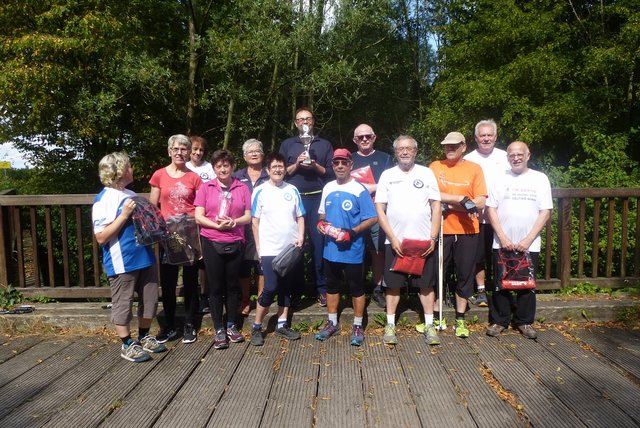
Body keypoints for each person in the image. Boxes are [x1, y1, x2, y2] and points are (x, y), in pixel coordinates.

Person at [92, 152, 166, 362]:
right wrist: (123, 215)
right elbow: (101, 237)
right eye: (130, 166)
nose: (132, 169)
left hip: (144, 256)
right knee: (123, 303)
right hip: (122, 259)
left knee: (149, 299)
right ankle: (126, 344)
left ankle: (144, 336)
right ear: (120, 171)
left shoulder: (130, 193)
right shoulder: (103, 199)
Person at [375, 136, 442, 346]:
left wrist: (433, 237)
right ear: (396, 152)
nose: (405, 152)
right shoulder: (387, 175)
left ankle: (430, 325)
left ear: (415, 151)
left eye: (409, 149)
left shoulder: (426, 173)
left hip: (423, 241)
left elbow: (436, 206)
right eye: (401, 149)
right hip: (395, 243)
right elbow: (380, 208)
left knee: (426, 285)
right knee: (393, 286)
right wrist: (392, 238)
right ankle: (390, 325)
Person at [486, 141, 552, 339]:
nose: (516, 157)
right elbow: (491, 209)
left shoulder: (540, 179)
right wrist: (503, 237)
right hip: (501, 242)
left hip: (529, 243)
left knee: (527, 284)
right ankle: (500, 320)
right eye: (511, 154)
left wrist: (528, 239)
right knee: (500, 283)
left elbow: (545, 211)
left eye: (519, 154)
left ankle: (525, 321)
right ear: (507, 157)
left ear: (528, 155)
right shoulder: (498, 178)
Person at [315, 149, 378, 346]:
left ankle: (358, 325)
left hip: (353, 249)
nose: (340, 166)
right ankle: (332, 322)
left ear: (351, 164)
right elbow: (322, 215)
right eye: (336, 163)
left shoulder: (359, 189)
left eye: (344, 162)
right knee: (332, 287)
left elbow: (372, 217)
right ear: (332, 166)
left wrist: (352, 231)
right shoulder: (327, 187)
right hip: (330, 249)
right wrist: (321, 225)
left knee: (356, 288)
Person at [429, 131, 487, 338]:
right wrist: (462, 199)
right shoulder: (435, 167)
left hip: (468, 230)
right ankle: (437, 315)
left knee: (465, 274)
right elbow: (432, 194)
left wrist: (452, 205)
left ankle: (460, 318)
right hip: (442, 228)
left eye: (454, 145)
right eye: (447, 145)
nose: (450, 149)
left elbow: (480, 202)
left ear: (463, 146)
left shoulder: (474, 168)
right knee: (438, 273)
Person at [194, 149, 252, 350]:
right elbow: (198, 216)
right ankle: (218, 328)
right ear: (214, 168)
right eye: (218, 166)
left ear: (232, 166)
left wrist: (233, 221)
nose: (222, 169)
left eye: (226, 165)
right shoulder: (206, 188)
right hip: (211, 239)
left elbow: (248, 216)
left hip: (235, 239)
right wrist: (216, 225)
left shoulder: (241, 187)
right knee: (216, 286)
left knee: (233, 286)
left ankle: (231, 325)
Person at [149, 135, 203, 344]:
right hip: (167, 236)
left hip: (190, 234)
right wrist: (156, 232)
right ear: (169, 151)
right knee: (169, 282)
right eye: (176, 149)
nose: (180, 152)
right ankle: (169, 326)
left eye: (184, 149)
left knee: (190, 282)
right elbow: (153, 207)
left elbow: (199, 207)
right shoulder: (159, 175)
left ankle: (190, 324)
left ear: (189, 152)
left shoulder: (194, 178)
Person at [279, 107, 334, 306]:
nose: (304, 122)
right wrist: (297, 165)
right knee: (295, 245)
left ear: (313, 122)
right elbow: (280, 172)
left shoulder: (324, 144)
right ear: (295, 123)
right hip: (293, 201)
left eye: (308, 119)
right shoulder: (288, 144)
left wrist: (314, 166)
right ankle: (295, 290)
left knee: (319, 246)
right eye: (300, 119)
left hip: (318, 201)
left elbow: (331, 174)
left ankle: (322, 289)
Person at [250, 152, 305, 346]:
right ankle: (257, 326)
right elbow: (254, 222)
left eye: (281, 166)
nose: (278, 169)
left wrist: (301, 237)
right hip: (269, 248)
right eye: (274, 166)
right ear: (268, 170)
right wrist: (258, 247)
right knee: (270, 287)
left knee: (285, 287)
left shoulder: (293, 190)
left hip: (290, 248)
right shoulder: (260, 191)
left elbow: (300, 216)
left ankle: (282, 324)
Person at [464, 120, 510, 306]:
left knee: (503, 255)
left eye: (489, 135)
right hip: (478, 218)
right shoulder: (468, 159)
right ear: (476, 138)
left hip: (502, 217)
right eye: (482, 135)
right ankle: (481, 291)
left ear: (495, 137)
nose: (486, 138)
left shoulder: (506, 156)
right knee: (479, 257)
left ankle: (504, 289)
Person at [350, 124, 394, 309]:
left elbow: (392, 183)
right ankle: (356, 289)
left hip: (378, 212)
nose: (365, 139)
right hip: (354, 213)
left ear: (374, 137)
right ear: (355, 140)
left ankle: (377, 288)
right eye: (360, 137)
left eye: (368, 136)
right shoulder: (349, 160)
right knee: (355, 250)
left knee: (377, 252)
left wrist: (372, 188)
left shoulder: (385, 159)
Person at [234, 139, 269, 316]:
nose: (254, 154)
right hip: (242, 227)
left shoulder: (270, 175)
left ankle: (262, 300)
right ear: (244, 156)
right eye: (250, 152)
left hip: (266, 227)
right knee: (244, 265)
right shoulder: (236, 176)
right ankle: (246, 300)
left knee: (261, 264)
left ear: (262, 155)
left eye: (257, 151)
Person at [187, 135, 216, 315]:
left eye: (201, 150)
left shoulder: (209, 168)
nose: (198, 152)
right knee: (190, 260)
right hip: (187, 219)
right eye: (195, 149)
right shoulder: (185, 167)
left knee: (205, 260)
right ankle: (192, 297)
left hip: (207, 218)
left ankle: (205, 295)